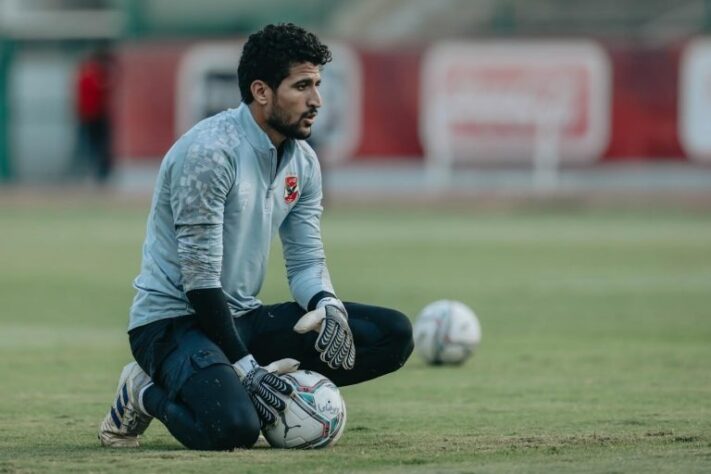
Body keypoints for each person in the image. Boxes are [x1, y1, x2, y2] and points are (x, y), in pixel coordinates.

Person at [98, 23, 413, 451]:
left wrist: (327, 303)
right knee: (233, 430)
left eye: (318, 85)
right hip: (173, 324)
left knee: (391, 334)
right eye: (302, 86)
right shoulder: (210, 154)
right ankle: (143, 390)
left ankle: (233, 382)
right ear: (261, 91)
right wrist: (248, 370)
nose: (316, 100)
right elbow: (200, 283)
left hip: (240, 319)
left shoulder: (303, 160)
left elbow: (305, 261)